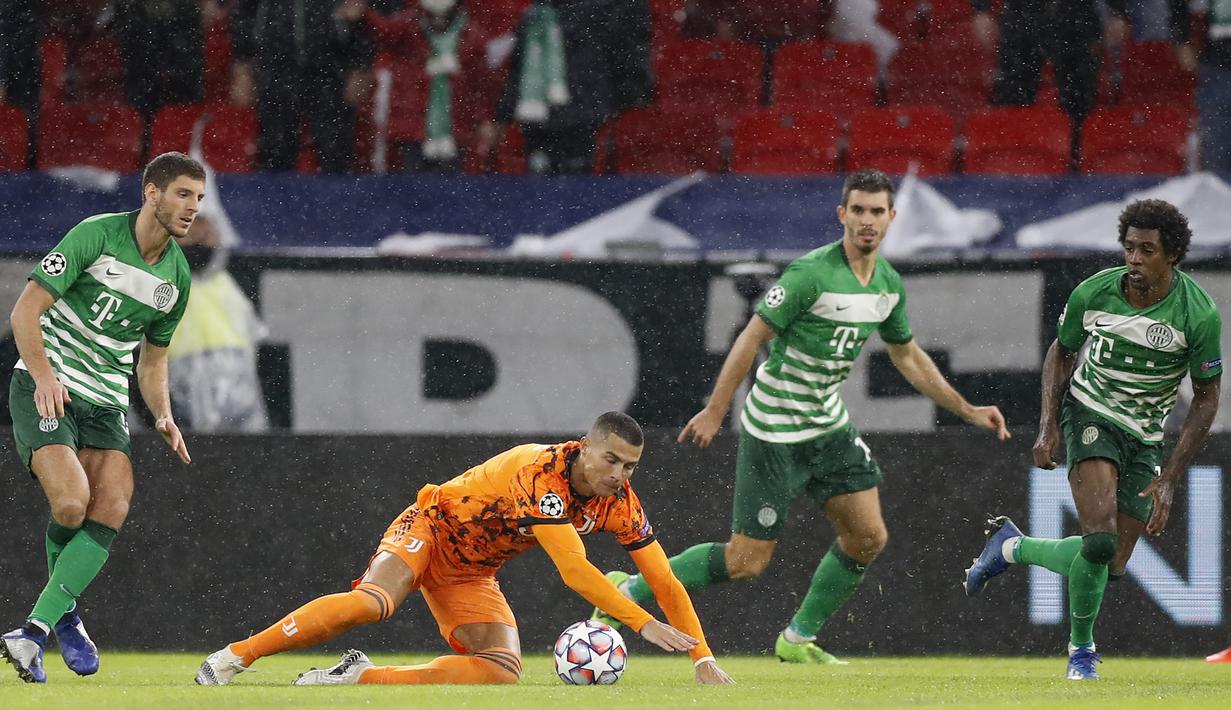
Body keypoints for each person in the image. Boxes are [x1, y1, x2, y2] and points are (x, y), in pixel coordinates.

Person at [593, 168, 1010, 664]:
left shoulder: (887, 285)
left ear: (892, 217)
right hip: (774, 431)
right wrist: (715, 409)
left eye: (877, 211)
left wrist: (965, 408)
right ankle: (632, 589)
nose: (867, 220)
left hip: (829, 428)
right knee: (744, 562)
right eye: (858, 210)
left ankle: (796, 640)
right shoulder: (811, 274)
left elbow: (907, 354)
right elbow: (752, 337)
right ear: (842, 214)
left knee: (868, 537)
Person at [196, 411, 734, 686]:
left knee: (502, 668)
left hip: (471, 572)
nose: (619, 474)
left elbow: (665, 579)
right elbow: (574, 570)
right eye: (611, 460)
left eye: (630, 466)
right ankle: (235, 657)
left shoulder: (620, 503)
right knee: (372, 605)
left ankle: (361, 677)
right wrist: (642, 624)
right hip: (430, 527)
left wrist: (702, 655)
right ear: (585, 447)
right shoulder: (541, 476)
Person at [964, 199, 1222, 680]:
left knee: (1113, 563)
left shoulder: (1198, 315)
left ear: (1173, 255)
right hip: (1091, 412)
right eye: (1129, 248)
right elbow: (1061, 353)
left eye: (1148, 250)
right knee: (1099, 544)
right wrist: (1048, 424)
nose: (1135, 259)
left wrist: (1170, 477)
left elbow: (1207, 398)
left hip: (1145, 435)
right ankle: (1081, 653)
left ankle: (1010, 548)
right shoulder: (1094, 293)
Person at [0, 152, 200, 684]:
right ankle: (57, 614)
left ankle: (37, 627)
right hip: (49, 385)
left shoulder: (176, 278)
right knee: (70, 506)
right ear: (151, 193)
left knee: (110, 506)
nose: (192, 208)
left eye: (199, 199)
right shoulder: (96, 235)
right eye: (182, 194)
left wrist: (162, 413)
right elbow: (25, 310)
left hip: (107, 402)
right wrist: (44, 376)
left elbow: (153, 359)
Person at [484, 0, 654, 174]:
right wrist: (502, 115)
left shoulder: (608, 8)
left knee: (577, 186)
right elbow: (520, 69)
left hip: (584, 120)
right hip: (543, 119)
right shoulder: (536, 14)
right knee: (544, 191)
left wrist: (621, 110)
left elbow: (628, 62)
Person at [971, 0, 1130, 163]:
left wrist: (1119, 12)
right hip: (1022, 19)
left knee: (1079, 104)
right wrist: (981, 10)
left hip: (1076, 19)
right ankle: (1011, 164)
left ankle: (1077, 167)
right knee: (1013, 100)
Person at [165, 212, 269, 432]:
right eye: (189, 233)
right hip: (182, 388)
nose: (198, 240)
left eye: (204, 234)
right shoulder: (160, 287)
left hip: (240, 390)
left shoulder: (228, 286)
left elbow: (255, 338)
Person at [1169, 0, 1231, 173]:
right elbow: (1179, 6)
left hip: (1217, 65)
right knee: (1217, 154)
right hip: (1219, 63)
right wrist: (1181, 39)